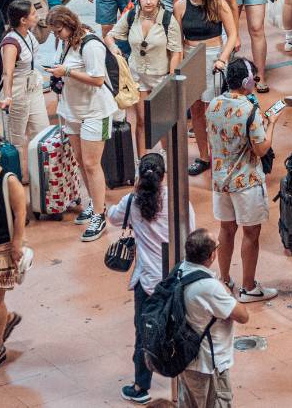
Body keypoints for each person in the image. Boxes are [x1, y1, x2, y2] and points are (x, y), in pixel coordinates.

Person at [109, 153, 194, 404]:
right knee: (181, 330)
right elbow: (190, 231)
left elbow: (113, 217)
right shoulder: (178, 199)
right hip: (175, 279)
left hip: (146, 282)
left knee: (144, 334)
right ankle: (184, 382)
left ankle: (140, 386)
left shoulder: (131, 201)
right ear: (164, 175)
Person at [204, 58, 278, 302]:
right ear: (246, 81)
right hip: (245, 182)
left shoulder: (213, 104)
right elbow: (261, 149)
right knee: (251, 234)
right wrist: (271, 126)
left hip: (220, 180)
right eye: (254, 79)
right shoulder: (250, 110)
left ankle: (224, 279)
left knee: (226, 230)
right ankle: (248, 286)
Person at [46, 6, 116, 239]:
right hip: (72, 110)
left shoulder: (92, 45)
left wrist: (66, 72)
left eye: (58, 31)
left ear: (69, 24)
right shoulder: (65, 42)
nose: (56, 36)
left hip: (96, 111)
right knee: (80, 160)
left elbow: (97, 80)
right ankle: (93, 203)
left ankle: (100, 213)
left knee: (91, 163)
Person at [176, 0, 240, 177]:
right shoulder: (180, 6)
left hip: (214, 58)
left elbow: (232, 35)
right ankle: (204, 156)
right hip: (190, 57)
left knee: (213, 109)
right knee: (195, 110)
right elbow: (177, 41)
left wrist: (223, 58)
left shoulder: (218, 4)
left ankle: (221, 153)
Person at [178, 228, 250, 408]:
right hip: (209, 365)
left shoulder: (179, 271)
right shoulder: (209, 287)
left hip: (185, 358)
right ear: (211, 256)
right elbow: (243, 315)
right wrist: (225, 289)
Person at [110, 0, 183, 157]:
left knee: (162, 121)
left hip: (161, 76)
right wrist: (114, 49)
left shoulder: (167, 20)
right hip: (138, 75)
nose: (148, 2)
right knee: (142, 120)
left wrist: (171, 79)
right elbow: (110, 35)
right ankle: (141, 159)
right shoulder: (131, 16)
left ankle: (166, 155)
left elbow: (176, 52)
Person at [0, 1, 48, 185]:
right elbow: (7, 73)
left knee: (42, 133)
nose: (37, 16)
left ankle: (41, 181)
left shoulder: (28, 34)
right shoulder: (10, 42)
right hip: (18, 92)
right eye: (34, 14)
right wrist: (8, 96)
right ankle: (16, 182)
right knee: (16, 141)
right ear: (23, 20)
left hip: (33, 88)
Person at [0, 132, 26, 371]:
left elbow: (19, 212)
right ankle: (8, 318)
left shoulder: (8, 181)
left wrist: (17, 244)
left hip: (1, 248)